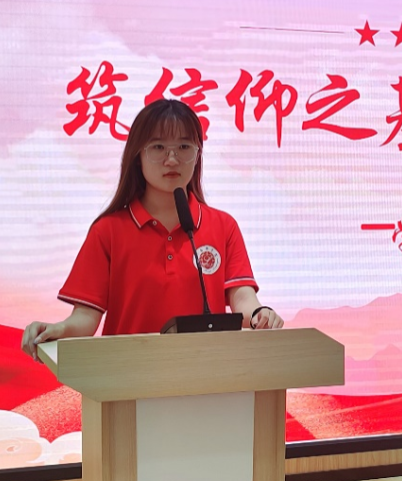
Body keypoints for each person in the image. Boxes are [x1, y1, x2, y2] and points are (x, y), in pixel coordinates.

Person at [22, 99, 283, 360]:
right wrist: (60, 329)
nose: (172, 159)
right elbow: (86, 317)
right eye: (158, 147)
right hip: (127, 372)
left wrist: (260, 314)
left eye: (184, 147)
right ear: (138, 156)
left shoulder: (223, 226)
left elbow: (242, 298)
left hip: (208, 370)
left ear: (198, 155)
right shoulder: (108, 231)